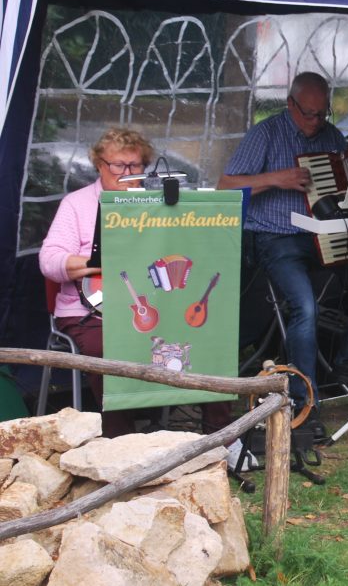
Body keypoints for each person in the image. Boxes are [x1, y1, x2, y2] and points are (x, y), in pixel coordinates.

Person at [38, 128, 251, 467]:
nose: (127, 174)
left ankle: (221, 438)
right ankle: (124, 448)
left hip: (154, 307)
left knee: (209, 338)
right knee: (106, 348)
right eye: (119, 166)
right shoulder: (77, 205)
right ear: (99, 165)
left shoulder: (158, 206)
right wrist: (96, 264)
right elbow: (49, 262)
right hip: (88, 311)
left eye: (135, 166)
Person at [218, 72, 348, 435]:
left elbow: (345, 185)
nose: (314, 122)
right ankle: (304, 399)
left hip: (321, 235)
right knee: (304, 307)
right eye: (307, 113)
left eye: (321, 114)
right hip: (276, 239)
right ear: (290, 104)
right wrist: (276, 178)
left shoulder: (331, 136)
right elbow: (226, 184)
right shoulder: (266, 133)